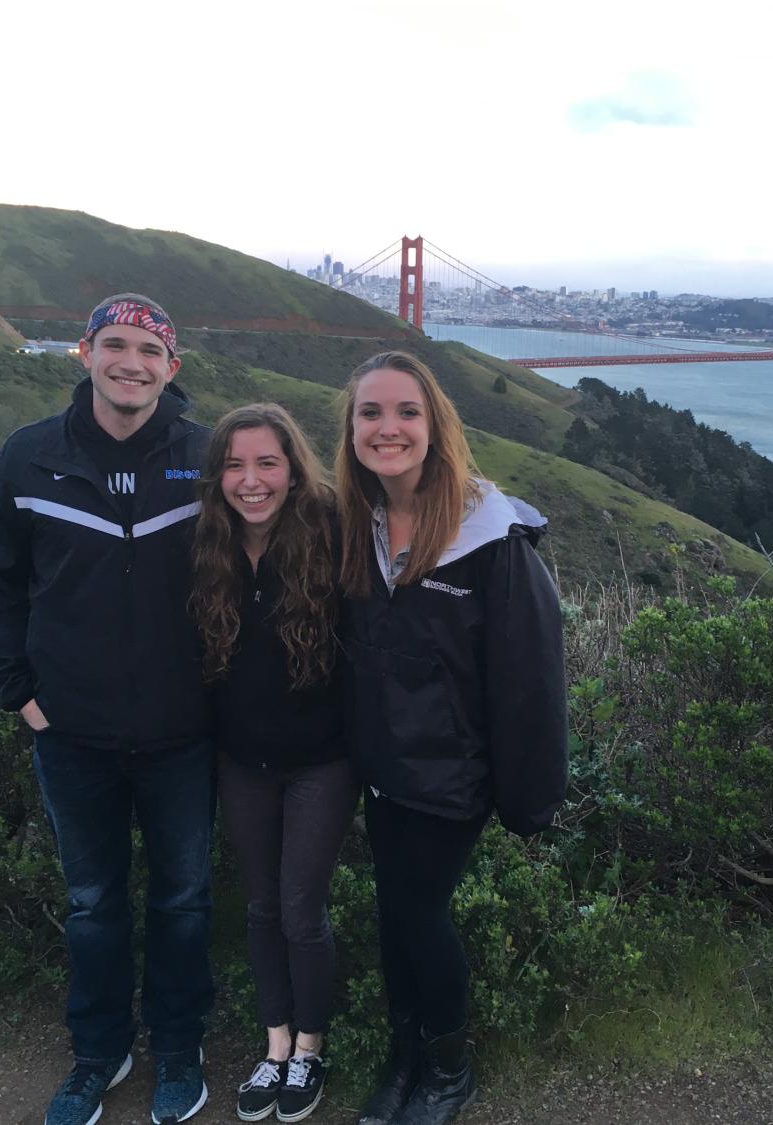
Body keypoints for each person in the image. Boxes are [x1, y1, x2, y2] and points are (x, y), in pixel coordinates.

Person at [0, 293, 215, 1125]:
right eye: (114, 344)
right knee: (93, 903)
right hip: (70, 733)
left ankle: (178, 1047)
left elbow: (257, 568)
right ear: (85, 353)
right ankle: (99, 1053)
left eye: (149, 351)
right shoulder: (29, 455)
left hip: (184, 733)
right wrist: (19, 690)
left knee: (184, 899)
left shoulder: (205, 456)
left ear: (171, 368)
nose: (130, 363)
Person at [334, 351, 568, 1125]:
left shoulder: (490, 537)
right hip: (383, 767)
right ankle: (406, 1056)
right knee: (393, 909)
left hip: (452, 774)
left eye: (407, 411)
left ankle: (448, 1068)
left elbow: (531, 680)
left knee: (418, 910)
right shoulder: (358, 525)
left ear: (435, 425)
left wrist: (529, 798)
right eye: (370, 412)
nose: (388, 427)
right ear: (351, 429)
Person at [190, 403, 356, 1123]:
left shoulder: (333, 531)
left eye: (267, 463)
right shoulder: (208, 544)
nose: (250, 480)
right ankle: (276, 1042)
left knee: (299, 909)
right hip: (242, 762)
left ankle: (310, 1048)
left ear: (293, 470)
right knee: (260, 907)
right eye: (234, 465)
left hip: (323, 761)